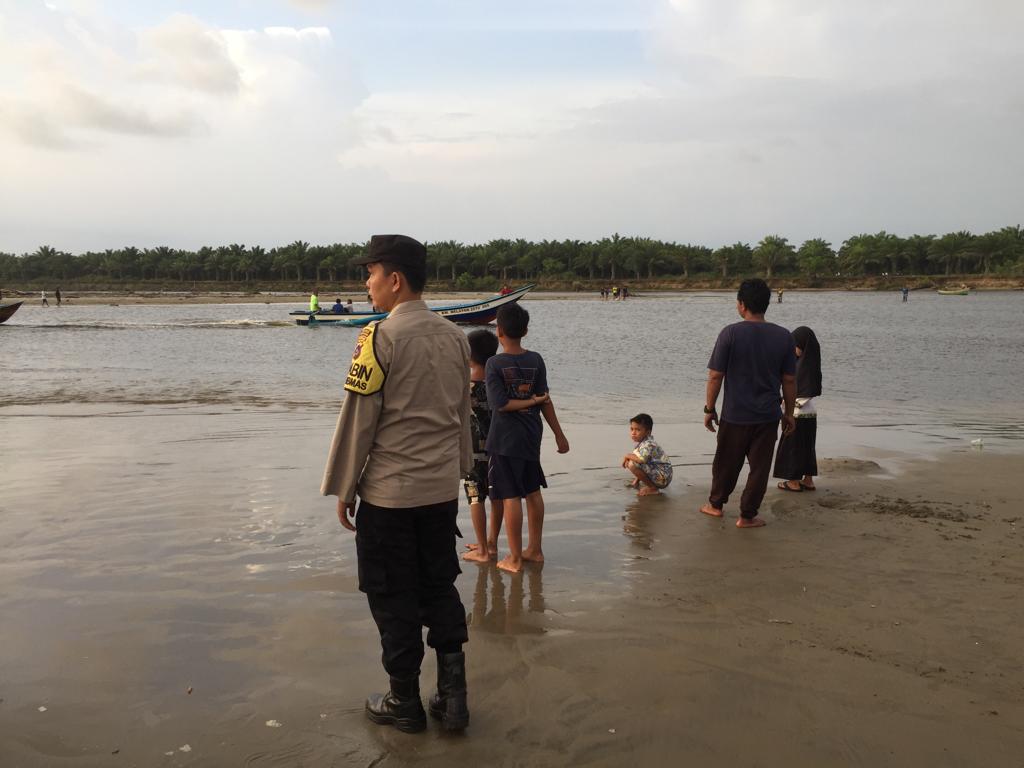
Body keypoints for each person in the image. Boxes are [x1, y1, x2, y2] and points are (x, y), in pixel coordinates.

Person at [321, 234, 473, 734]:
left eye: (370, 274)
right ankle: (453, 699)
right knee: (439, 587)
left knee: (392, 598)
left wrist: (344, 486)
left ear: (395, 279)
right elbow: (461, 414)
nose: (366, 285)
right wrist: (462, 470)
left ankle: (403, 701)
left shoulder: (378, 338)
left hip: (390, 496)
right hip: (439, 493)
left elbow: (358, 419)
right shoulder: (456, 338)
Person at [701, 279, 796, 528]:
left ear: (742, 304)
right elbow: (789, 380)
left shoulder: (730, 333)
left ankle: (715, 505)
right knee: (759, 468)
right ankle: (747, 515)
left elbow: (715, 375)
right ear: (766, 304)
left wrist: (709, 408)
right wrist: (789, 413)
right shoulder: (784, 336)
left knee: (726, 462)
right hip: (767, 415)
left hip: (735, 414)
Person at [485, 303, 569, 574]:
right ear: (525, 331)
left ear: (499, 331)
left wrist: (531, 402)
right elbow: (545, 399)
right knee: (532, 491)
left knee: (510, 495)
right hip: (532, 434)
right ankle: (535, 549)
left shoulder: (494, 363)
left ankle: (515, 558)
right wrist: (559, 434)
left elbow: (500, 404)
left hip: (505, 439)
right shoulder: (536, 360)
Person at [462, 329, 502, 563]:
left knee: (475, 496)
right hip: (497, 446)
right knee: (496, 495)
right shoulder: (497, 384)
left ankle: (483, 551)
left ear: (469, 354)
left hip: (472, 450)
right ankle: (491, 543)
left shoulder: (465, 386)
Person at [774, 327, 822, 492]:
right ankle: (808, 480)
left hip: (797, 412)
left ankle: (793, 481)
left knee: (793, 447)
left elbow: (797, 391)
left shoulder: (799, 367)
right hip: (810, 412)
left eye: (794, 345)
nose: (792, 349)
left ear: (801, 345)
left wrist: (785, 405)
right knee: (808, 447)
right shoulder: (811, 365)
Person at [622, 413, 673, 496]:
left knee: (632, 464)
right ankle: (645, 483)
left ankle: (653, 488)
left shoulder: (648, 444)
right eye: (632, 429)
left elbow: (641, 460)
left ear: (648, 432)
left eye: (638, 430)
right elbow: (643, 462)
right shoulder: (643, 443)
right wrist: (636, 480)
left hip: (663, 477)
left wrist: (627, 455)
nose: (633, 433)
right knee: (632, 460)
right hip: (662, 475)